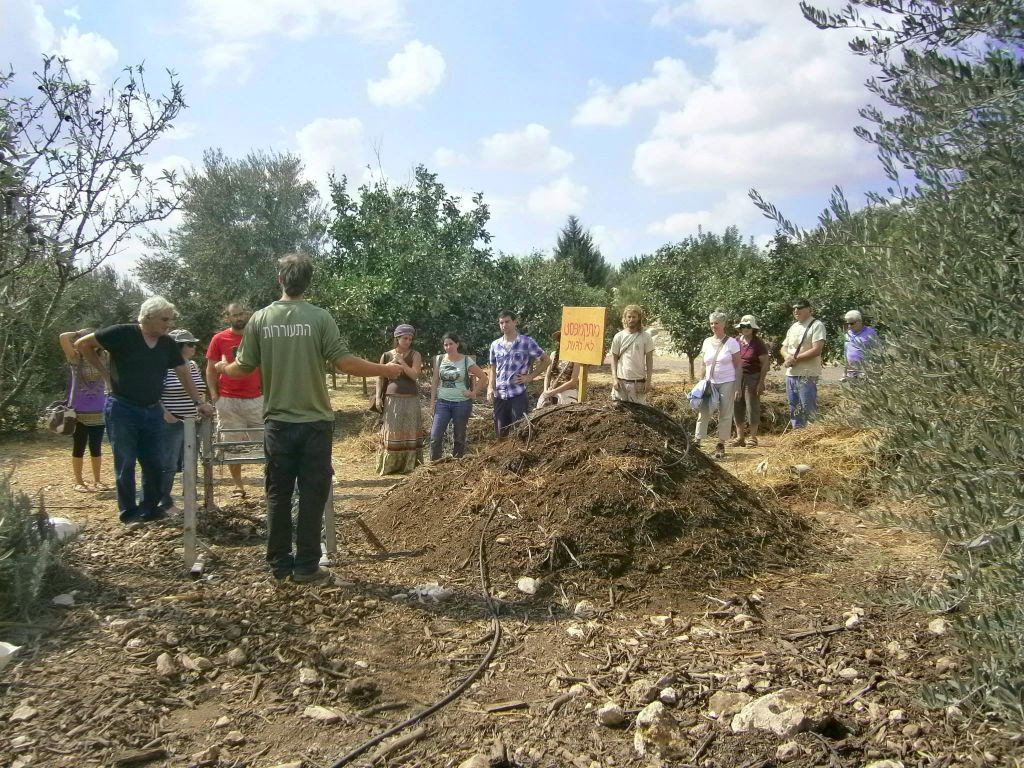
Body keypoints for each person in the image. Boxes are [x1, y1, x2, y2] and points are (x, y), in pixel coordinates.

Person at [217, 253, 402, 583]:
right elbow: (345, 363)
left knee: (278, 493)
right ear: (308, 282)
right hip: (315, 424)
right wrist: (385, 369)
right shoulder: (319, 318)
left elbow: (242, 367)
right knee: (313, 494)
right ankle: (306, 567)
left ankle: (279, 567)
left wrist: (222, 368)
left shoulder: (260, 319)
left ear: (280, 280)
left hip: (277, 424)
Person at [75, 297, 214, 523]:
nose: (168, 324)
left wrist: (199, 402)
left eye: (170, 319)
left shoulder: (167, 343)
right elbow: (83, 344)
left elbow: (183, 372)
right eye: (164, 319)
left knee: (154, 462)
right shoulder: (122, 333)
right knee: (126, 461)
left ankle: (150, 509)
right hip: (122, 408)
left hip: (152, 409)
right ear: (148, 317)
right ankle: (129, 512)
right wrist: (104, 373)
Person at [206, 303, 263, 498]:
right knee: (231, 446)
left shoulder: (257, 336)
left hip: (257, 400)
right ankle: (238, 486)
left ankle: (271, 483)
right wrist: (214, 395)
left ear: (246, 315)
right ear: (228, 317)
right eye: (234, 315)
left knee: (268, 444)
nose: (238, 317)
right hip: (228, 401)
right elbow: (211, 369)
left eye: (241, 314)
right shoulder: (219, 339)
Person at [158, 329, 207, 515]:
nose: (193, 347)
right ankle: (164, 502)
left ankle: (190, 499)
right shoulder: (163, 366)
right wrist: (165, 413)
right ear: (177, 346)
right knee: (168, 464)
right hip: (171, 422)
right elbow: (154, 393)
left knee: (191, 462)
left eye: (193, 344)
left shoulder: (192, 365)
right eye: (189, 344)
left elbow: (199, 389)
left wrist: (202, 406)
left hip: (192, 421)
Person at [58, 328, 110, 492]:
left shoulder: (105, 357)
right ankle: (79, 482)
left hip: (99, 409)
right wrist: (77, 333)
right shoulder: (75, 357)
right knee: (78, 445)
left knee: (96, 446)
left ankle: (97, 480)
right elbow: (62, 337)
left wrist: (98, 335)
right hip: (78, 411)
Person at [487, 310, 550, 437]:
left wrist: (530, 377)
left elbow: (546, 360)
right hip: (499, 395)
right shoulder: (495, 345)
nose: (504, 325)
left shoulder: (526, 342)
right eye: (501, 323)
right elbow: (493, 369)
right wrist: (490, 388)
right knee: (500, 433)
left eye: (507, 321)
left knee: (518, 432)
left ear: (515, 322)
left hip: (517, 394)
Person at [428, 332, 487, 461]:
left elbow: (483, 377)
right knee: (435, 436)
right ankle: (435, 465)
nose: (448, 347)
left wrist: (473, 392)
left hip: (462, 403)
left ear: (457, 344)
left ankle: (456, 464)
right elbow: (435, 382)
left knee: (459, 437)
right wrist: (432, 403)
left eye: (451, 344)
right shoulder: (439, 359)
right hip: (442, 403)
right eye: (445, 345)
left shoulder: (466, 360)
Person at [374, 324, 424, 475]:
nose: (408, 341)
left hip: (410, 398)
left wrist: (401, 362)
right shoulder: (387, 355)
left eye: (410, 339)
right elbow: (380, 377)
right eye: (404, 338)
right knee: (392, 430)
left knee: (409, 430)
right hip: (392, 398)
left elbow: (414, 375)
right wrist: (377, 397)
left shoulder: (415, 355)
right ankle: (390, 465)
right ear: (397, 338)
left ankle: (408, 465)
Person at [695, 311, 742, 459]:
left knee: (725, 413)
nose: (713, 326)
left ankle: (721, 443)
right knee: (704, 410)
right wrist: (700, 381)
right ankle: (697, 440)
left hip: (727, 382)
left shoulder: (732, 343)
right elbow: (703, 363)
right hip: (710, 382)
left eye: (716, 323)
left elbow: (738, 366)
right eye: (711, 323)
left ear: (723, 324)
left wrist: (737, 386)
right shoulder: (707, 341)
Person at [781, 298, 826, 428]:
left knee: (807, 407)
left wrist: (796, 358)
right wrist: (787, 357)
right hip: (791, 373)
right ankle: (798, 436)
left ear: (809, 309)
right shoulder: (793, 326)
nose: (796, 310)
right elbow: (783, 347)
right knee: (794, 407)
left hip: (807, 373)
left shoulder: (817, 325)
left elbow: (817, 349)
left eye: (800, 307)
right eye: (794, 308)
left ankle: (812, 436)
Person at [732, 314, 771, 448]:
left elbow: (765, 363)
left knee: (751, 406)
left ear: (753, 328)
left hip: (752, 377)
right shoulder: (736, 341)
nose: (745, 328)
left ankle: (753, 437)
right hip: (736, 378)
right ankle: (740, 437)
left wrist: (761, 382)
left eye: (748, 326)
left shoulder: (758, 343)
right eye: (743, 326)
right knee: (737, 406)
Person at [610, 305, 656, 404]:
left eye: (634, 317)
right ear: (625, 318)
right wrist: (614, 378)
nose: (631, 319)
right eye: (629, 317)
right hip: (621, 382)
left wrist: (648, 381)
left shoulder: (646, 337)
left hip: (638, 383)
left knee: (638, 415)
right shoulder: (619, 336)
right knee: (619, 413)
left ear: (638, 318)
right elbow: (614, 358)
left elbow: (649, 359)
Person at [540, 331, 580, 406]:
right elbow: (547, 376)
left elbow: (573, 381)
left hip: (568, 390)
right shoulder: (553, 355)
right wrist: (546, 391)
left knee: (565, 405)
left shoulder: (576, 357)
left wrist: (554, 392)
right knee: (541, 405)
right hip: (551, 389)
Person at [843, 309, 878, 379]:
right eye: (847, 323)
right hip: (851, 373)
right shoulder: (848, 334)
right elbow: (846, 353)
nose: (849, 326)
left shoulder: (870, 333)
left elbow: (878, 352)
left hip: (866, 373)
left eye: (852, 323)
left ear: (859, 321)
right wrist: (845, 372)